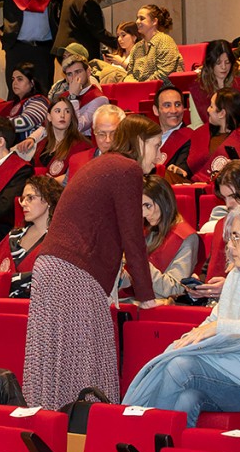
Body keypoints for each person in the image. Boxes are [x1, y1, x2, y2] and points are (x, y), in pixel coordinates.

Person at [123, 200, 240, 420]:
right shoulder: (237, 276)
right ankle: (161, 440)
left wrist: (220, 328)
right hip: (232, 370)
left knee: (180, 367)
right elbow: (212, 322)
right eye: (229, 238)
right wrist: (181, 344)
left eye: (236, 237)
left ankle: (145, 431)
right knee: (185, 396)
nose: (229, 246)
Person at [24, 113, 165, 403]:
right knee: (86, 360)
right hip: (74, 270)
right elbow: (132, 236)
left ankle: (51, 421)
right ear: (139, 142)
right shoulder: (127, 169)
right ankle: (85, 425)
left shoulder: (104, 164)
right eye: (155, 145)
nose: (159, 155)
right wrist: (146, 296)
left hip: (53, 265)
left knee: (53, 358)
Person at [0, 172, 63, 292]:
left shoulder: (59, 241)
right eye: (23, 199)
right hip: (1, 299)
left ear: (48, 200)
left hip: (40, 301)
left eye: (30, 198)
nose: (23, 203)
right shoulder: (14, 236)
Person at [57, 0, 117, 66]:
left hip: (64, 49)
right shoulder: (88, 1)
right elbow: (98, 32)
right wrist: (119, 43)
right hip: (76, 52)